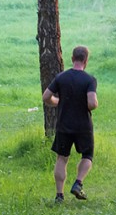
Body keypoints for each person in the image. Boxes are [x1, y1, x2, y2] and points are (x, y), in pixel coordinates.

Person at [42, 45, 98, 203]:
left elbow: (46, 97)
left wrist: (56, 101)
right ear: (86, 60)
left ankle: (59, 195)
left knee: (62, 158)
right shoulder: (89, 80)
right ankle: (78, 183)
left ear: (72, 59)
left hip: (63, 125)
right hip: (83, 126)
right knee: (87, 155)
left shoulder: (61, 77)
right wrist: (86, 104)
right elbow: (92, 103)